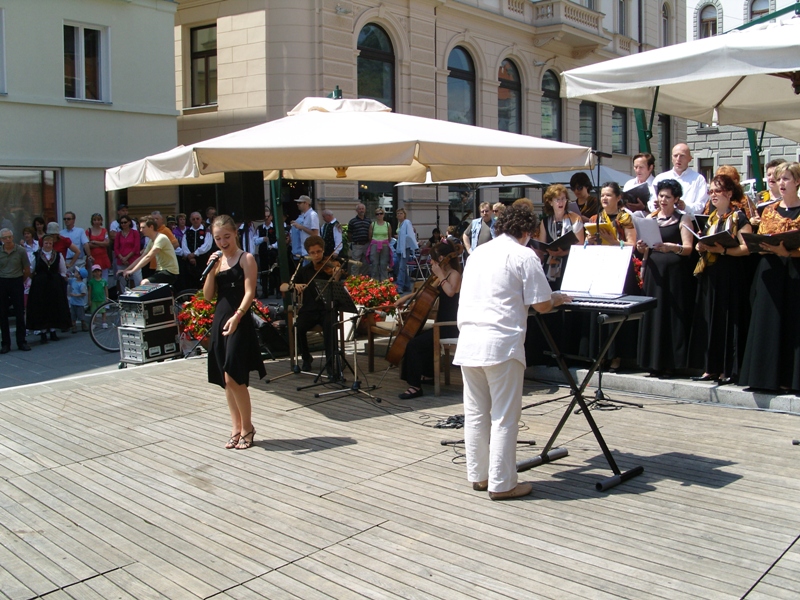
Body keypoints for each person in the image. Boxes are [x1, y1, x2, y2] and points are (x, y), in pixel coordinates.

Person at [454, 203, 570, 500]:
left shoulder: (478, 253)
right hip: (501, 343)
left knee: (476, 413)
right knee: (504, 416)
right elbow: (541, 304)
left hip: (469, 340)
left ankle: (479, 476)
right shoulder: (523, 254)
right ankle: (503, 484)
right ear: (528, 231)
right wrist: (557, 298)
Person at [204, 215, 266, 450]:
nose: (222, 242)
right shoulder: (217, 261)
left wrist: (238, 316)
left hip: (239, 319)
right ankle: (236, 427)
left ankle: (248, 427)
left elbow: (250, 292)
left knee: (234, 375)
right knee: (225, 380)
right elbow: (208, 295)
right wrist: (211, 270)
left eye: (226, 237)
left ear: (235, 234)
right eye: (218, 238)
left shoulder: (245, 258)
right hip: (220, 319)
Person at [739, 162, 800, 392]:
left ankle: (790, 379)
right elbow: (761, 238)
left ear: (797, 182)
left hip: (794, 271)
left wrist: (789, 252)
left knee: (793, 323)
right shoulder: (769, 210)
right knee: (768, 322)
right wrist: (766, 246)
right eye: (779, 179)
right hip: (770, 269)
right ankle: (765, 378)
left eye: (786, 179)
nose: (781, 183)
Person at [688, 174, 752, 385]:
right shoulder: (712, 217)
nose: (713, 195)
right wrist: (701, 246)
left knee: (727, 321)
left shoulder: (739, 217)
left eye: (718, 191)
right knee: (711, 320)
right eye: (711, 191)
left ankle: (727, 369)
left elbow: (746, 248)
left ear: (729, 193)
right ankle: (711, 367)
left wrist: (723, 250)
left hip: (730, 274)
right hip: (711, 273)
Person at [635, 179, 696, 377]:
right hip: (654, 273)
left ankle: (671, 363)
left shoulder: (683, 219)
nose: (663, 200)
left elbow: (688, 248)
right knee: (654, 315)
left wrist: (671, 247)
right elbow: (642, 248)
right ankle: (653, 362)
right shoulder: (650, 218)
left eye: (668, 197)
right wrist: (641, 247)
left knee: (671, 316)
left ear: (676, 199)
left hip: (674, 274)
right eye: (661, 196)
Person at [396, 243, 461, 399]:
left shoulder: (454, 274)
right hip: (440, 324)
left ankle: (415, 386)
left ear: (441, 258)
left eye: (432, 259)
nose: (431, 262)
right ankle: (428, 375)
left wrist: (440, 275)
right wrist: (406, 298)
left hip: (450, 326)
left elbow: (451, 292)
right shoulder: (442, 276)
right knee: (416, 339)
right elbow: (426, 292)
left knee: (414, 345)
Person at [280, 235, 341, 373]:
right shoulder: (304, 270)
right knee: (297, 328)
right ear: (308, 253)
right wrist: (294, 286)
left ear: (323, 250)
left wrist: (336, 275)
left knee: (330, 326)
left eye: (319, 251)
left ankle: (330, 363)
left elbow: (336, 286)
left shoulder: (329, 268)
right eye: (312, 253)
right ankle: (306, 358)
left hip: (326, 309)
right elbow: (283, 286)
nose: (316, 255)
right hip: (309, 310)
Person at [536, 184, 585, 288]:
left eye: (563, 198)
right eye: (557, 199)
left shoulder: (575, 219)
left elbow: (580, 245)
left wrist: (564, 252)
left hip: (570, 265)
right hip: (550, 267)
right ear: (550, 202)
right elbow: (542, 246)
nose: (561, 202)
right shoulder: (545, 222)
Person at [27, 233, 71, 344]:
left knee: (54, 306)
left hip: (54, 284)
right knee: (42, 307)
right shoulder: (36, 255)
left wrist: (61, 282)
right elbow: (31, 270)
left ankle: (53, 331)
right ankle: (43, 332)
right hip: (40, 284)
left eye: (50, 243)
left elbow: (62, 270)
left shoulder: (58, 255)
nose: (48, 245)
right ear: (42, 244)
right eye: (46, 243)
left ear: (52, 244)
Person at [652, 143, 708, 214]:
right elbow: (651, 202)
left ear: (690, 159)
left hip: (687, 219)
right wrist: (656, 205)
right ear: (672, 158)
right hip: (662, 218)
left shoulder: (698, 179)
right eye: (675, 156)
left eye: (682, 156)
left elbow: (701, 206)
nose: (678, 159)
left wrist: (685, 207)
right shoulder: (660, 178)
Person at [121, 218, 179, 286]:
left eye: (143, 228)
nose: (141, 230)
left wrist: (132, 271)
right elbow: (142, 257)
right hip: (160, 271)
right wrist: (126, 270)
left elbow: (148, 257)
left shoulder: (161, 238)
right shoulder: (151, 240)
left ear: (151, 227)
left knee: (145, 283)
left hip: (170, 272)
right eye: (140, 228)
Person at [0, 228, 31, 353]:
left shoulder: (21, 251)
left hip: (17, 281)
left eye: (9, 237)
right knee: (2, 314)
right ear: (1, 240)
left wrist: (20, 281)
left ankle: (21, 341)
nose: (8, 240)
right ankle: (5, 343)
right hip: (2, 282)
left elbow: (27, 269)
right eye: (5, 238)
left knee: (19, 312)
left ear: (13, 237)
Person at [180, 212, 213, 289]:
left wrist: (195, 253)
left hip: (203, 260)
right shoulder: (187, 232)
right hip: (189, 261)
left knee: (203, 281)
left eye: (197, 219)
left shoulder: (206, 231)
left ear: (201, 219)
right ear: (190, 220)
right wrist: (189, 256)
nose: (195, 220)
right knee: (190, 281)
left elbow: (207, 245)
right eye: (193, 219)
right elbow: (184, 245)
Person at [255, 209, 279, 297]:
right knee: (264, 272)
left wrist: (273, 246)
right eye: (264, 217)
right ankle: (265, 291)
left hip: (273, 252)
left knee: (275, 271)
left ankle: (277, 291)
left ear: (271, 217)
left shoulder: (275, 227)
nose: (266, 219)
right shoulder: (260, 228)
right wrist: (262, 239)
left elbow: (279, 240)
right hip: (263, 252)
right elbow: (255, 240)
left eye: (267, 217)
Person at [113, 215, 141, 289]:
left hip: (134, 260)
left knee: (138, 280)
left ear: (129, 222)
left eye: (125, 222)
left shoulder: (135, 233)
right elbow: (116, 248)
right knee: (122, 282)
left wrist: (127, 257)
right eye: (121, 223)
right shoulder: (118, 234)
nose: (123, 224)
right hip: (121, 261)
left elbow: (136, 247)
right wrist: (122, 258)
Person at [394, 208, 418, 294]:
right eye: (398, 213)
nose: (399, 215)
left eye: (401, 213)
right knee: (401, 267)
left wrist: (404, 239)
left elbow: (410, 235)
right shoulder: (400, 224)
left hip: (405, 248)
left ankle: (399, 286)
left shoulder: (407, 222)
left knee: (401, 267)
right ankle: (407, 285)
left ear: (404, 214)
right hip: (399, 248)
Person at [290, 195, 319, 264]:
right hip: (306, 251)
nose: (297, 204)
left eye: (300, 203)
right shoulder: (306, 215)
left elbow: (315, 233)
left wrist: (301, 227)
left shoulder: (312, 215)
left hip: (311, 252)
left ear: (306, 203)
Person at [367, 208, 393, 281]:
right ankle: (374, 281)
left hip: (385, 245)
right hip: (374, 245)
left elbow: (389, 236)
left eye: (381, 213)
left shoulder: (387, 224)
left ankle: (384, 281)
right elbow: (370, 236)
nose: (379, 215)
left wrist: (384, 242)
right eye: (377, 214)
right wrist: (376, 242)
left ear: (383, 214)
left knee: (384, 263)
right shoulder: (373, 224)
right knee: (374, 263)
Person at [86, 213, 111, 281]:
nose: (96, 222)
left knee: (104, 278)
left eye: (98, 220)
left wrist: (95, 242)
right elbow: (88, 244)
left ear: (101, 221)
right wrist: (102, 243)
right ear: (92, 221)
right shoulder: (88, 231)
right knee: (93, 279)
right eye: (95, 220)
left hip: (103, 258)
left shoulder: (104, 230)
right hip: (93, 258)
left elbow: (107, 243)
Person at [348, 203, 371, 276]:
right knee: (355, 263)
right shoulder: (352, 221)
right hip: (357, 245)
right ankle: (354, 279)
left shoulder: (369, 221)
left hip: (367, 245)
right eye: (360, 209)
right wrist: (353, 242)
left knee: (366, 263)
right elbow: (349, 233)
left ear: (365, 210)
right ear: (357, 210)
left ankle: (363, 279)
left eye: (362, 209)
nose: (361, 210)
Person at [68, 267, 88, 333]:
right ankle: (74, 326)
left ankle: (83, 324)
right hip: (73, 302)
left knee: (81, 315)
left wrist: (75, 295)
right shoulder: (73, 280)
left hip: (79, 303)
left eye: (76, 272)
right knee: (73, 315)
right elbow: (67, 280)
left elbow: (83, 294)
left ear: (79, 275)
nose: (75, 272)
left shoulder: (82, 285)